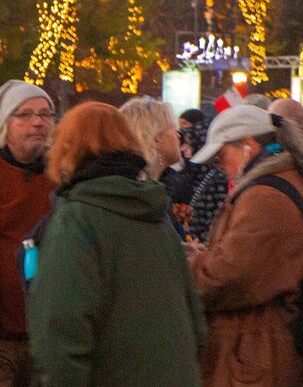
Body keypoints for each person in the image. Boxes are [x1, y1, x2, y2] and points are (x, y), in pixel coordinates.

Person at [26, 102, 205, 386]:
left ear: (66, 149)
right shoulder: (155, 214)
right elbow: (194, 319)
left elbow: (60, 331)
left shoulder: (77, 220)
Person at [186, 103, 303, 387]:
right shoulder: (283, 181)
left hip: (257, 357)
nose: (221, 169)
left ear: (248, 145)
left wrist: (186, 264)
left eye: (222, 158)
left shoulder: (265, 195)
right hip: (268, 351)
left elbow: (229, 275)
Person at [0, 79, 55, 387]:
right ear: (5, 123)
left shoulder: (64, 175)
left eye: (45, 114)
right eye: (25, 114)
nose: (37, 122)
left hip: (48, 336)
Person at [119, 95, 192, 233]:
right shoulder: (139, 197)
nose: (179, 136)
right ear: (155, 138)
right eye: (174, 129)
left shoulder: (140, 189)